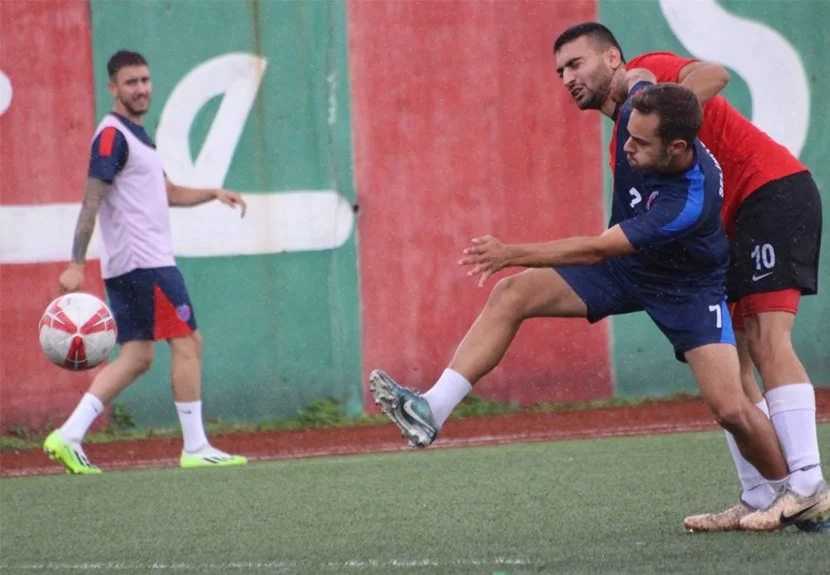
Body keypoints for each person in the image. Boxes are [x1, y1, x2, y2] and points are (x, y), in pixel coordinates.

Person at [370, 79, 796, 525]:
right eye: (627, 132)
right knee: (511, 294)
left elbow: (597, 250)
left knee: (731, 409)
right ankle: (432, 409)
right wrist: (618, 74)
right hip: (629, 268)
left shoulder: (686, 201)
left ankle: (792, 495)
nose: (626, 146)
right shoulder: (643, 104)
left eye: (640, 141)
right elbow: (697, 73)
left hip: (687, 289)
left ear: (676, 147)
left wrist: (511, 253)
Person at [551, 22, 826, 533]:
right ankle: (760, 495)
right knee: (735, 363)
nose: (568, 77)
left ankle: (808, 486)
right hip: (725, 232)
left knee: (768, 339)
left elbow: (715, 74)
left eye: (576, 63)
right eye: (561, 71)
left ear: (613, 58)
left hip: (771, 192)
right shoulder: (626, 146)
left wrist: (663, 114)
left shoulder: (651, 75)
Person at [43, 50, 248, 474]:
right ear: (112, 88)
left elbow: (165, 192)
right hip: (146, 264)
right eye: (131, 82)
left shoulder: (137, 135)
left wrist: (212, 191)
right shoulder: (111, 135)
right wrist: (75, 262)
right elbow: (91, 199)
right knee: (189, 343)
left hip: (132, 266)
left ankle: (68, 435)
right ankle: (196, 447)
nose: (141, 89)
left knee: (138, 357)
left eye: (145, 81)